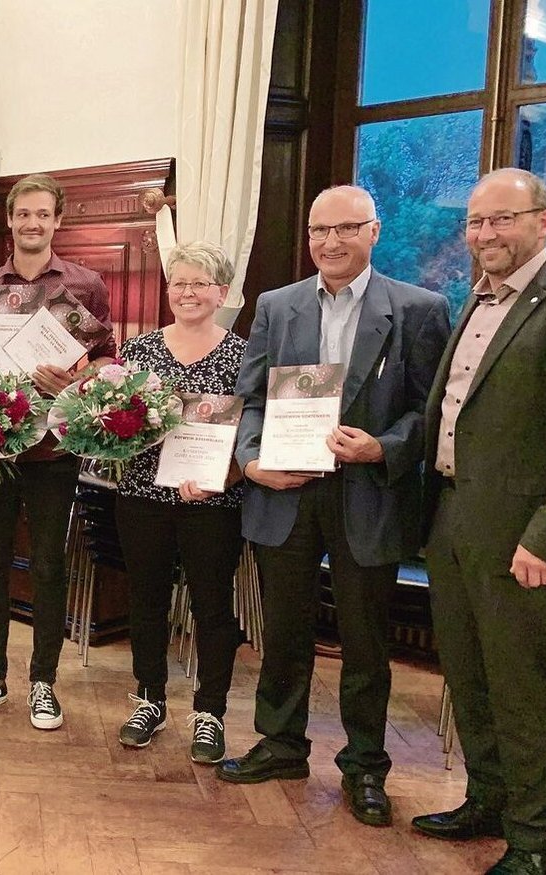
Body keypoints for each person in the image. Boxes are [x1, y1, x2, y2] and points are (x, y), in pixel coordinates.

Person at [220, 185, 450, 828]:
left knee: (365, 640)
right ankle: (283, 744)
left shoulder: (419, 308)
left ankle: (366, 767)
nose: (332, 241)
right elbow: (253, 397)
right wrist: (254, 458)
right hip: (287, 493)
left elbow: (431, 410)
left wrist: (384, 447)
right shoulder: (277, 305)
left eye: (347, 228)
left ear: (374, 231)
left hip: (367, 494)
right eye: (321, 230)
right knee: (284, 630)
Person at [412, 168, 546, 875]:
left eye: (502, 220)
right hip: (455, 522)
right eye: (476, 222)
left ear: (544, 222)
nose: (486, 233)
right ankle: (485, 799)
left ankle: (534, 841)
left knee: (520, 693)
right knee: (468, 676)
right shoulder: (478, 300)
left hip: (526, 541)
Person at [0, 173, 116, 731]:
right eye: (23, 213)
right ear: (11, 220)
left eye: (42, 214)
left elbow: (106, 359)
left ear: (57, 221)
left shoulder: (85, 286)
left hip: (54, 449)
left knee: (48, 566)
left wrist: (71, 382)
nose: (32, 223)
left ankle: (44, 682)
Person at [113, 241, 246, 764]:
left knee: (212, 606)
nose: (187, 292)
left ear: (222, 292)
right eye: (179, 282)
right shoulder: (139, 351)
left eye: (199, 283)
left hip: (213, 502)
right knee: (146, 601)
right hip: (143, 495)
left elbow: (251, 431)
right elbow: (116, 419)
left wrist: (225, 477)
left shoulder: (242, 353)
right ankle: (149, 699)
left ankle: (209, 712)